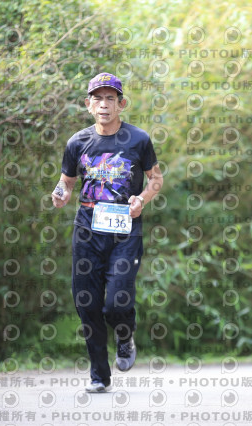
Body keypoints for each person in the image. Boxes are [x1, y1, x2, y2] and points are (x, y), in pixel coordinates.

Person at [51, 72, 163, 392]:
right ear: (88, 104)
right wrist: (60, 193)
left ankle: (125, 335)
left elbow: (156, 179)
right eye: (97, 99)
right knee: (86, 304)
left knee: (116, 302)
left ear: (121, 104)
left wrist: (141, 199)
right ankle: (99, 376)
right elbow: (67, 181)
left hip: (125, 230)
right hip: (87, 230)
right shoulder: (77, 142)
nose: (103, 104)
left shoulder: (138, 140)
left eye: (110, 99)